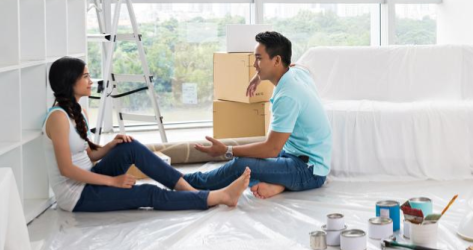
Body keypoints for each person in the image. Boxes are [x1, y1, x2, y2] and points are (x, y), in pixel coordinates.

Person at [44, 56, 251, 212]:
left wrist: (110, 146)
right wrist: (113, 182)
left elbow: (88, 155)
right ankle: (218, 197)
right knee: (148, 192)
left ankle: (191, 192)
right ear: (70, 81)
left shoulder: (79, 110)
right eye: (86, 76)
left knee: (129, 146)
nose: (91, 81)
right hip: (76, 195)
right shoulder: (58, 118)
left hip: (90, 178)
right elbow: (66, 170)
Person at [184, 31, 332, 199]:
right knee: (253, 158)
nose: (254, 64)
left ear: (276, 60)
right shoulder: (296, 73)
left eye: (259, 59)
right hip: (293, 154)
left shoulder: (288, 96)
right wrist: (258, 77)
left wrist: (226, 150)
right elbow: (297, 65)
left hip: (309, 171)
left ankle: (184, 182)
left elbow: (271, 149)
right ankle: (280, 184)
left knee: (241, 166)